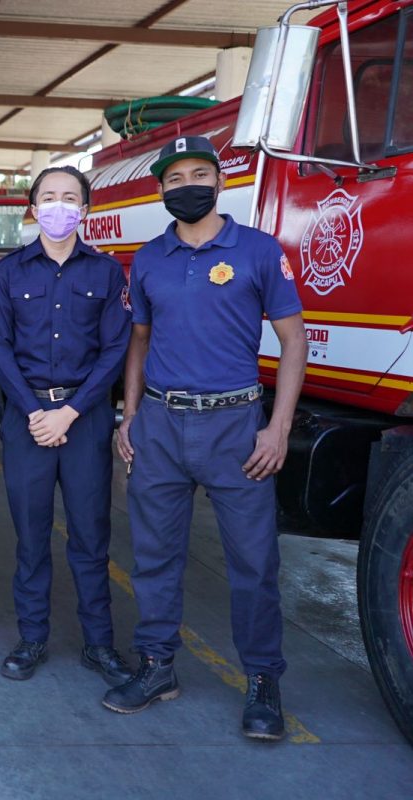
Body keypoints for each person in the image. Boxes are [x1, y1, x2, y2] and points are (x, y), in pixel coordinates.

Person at [103, 136, 306, 742]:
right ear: (161, 189)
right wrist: (129, 416)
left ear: (220, 182)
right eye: (174, 178)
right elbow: (139, 341)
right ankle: (157, 666)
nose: (186, 185)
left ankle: (263, 680)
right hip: (161, 425)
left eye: (198, 174)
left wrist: (278, 427)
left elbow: (293, 341)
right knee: (154, 557)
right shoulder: (149, 258)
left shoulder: (258, 250)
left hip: (235, 427)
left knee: (254, 562)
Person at [0, 166, 133, 689]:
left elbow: (115, 348)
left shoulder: (107, 273)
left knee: (91, 537)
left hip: (84, 420)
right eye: (48, 197)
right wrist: (34, 412)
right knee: (31, 537)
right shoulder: (8, 272)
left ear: (85, 210)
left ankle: (99, 643)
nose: (59, 206)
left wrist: (69, 412)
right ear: (33, 208)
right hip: (27, 420)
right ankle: (31, 638)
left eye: (70, 198)